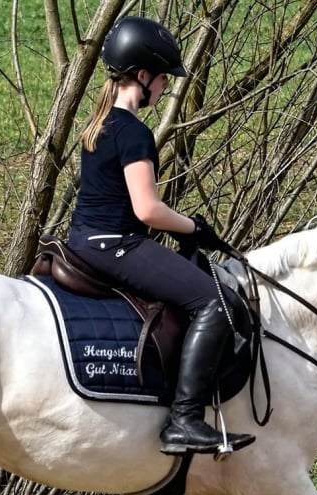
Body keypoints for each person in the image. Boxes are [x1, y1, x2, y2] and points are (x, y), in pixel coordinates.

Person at [68, 16, 254, 456]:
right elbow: (147, 209)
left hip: (83, 240)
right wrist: (195, 227)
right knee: (217, 301)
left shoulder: (99, 124)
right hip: (116, 245)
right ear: (142, 75)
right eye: (163, 78)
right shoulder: (134, 132)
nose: (165, 87)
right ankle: (184, 421)